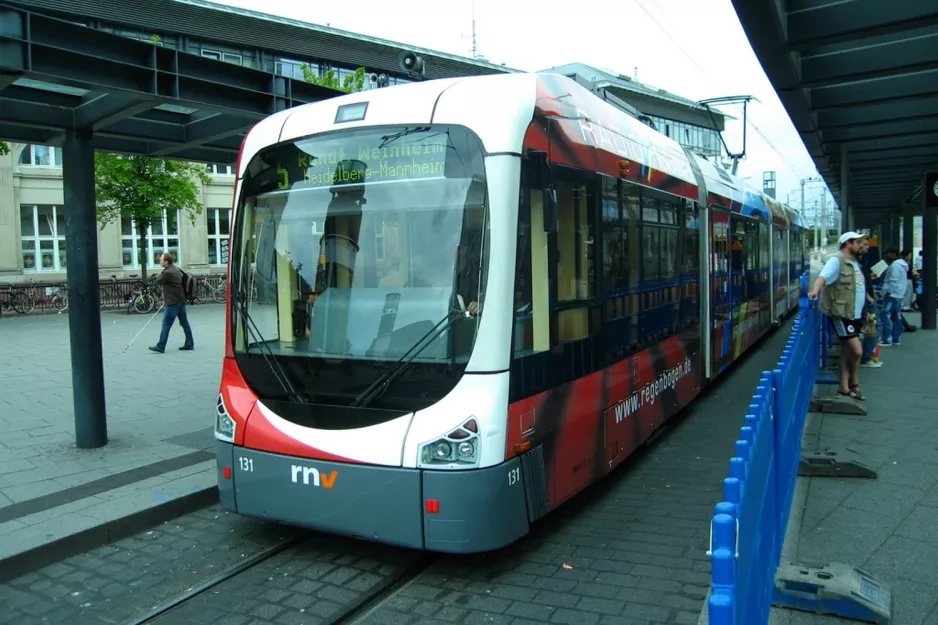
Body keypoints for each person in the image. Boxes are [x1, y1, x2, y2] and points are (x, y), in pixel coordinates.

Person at [808, 232, 870, 401]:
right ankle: (854, 383)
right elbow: (823, 277)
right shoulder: (837, 260)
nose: (861, 246)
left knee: (847, 351)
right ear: (848, 244)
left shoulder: (855, 263)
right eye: (858, 242)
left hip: (854, 313)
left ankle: (843, 387)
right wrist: (815, 291)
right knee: (857, 351)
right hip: (842, 314)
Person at [149, 252, 194, 353]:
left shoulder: (168, 272)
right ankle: (189, 343)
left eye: (161, 260)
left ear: (166, 262)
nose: (159, 261)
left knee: (166, 324)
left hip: (173, 302)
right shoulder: (175, 268)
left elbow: (159, 281)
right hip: (180, 300)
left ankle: (161, 346)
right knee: (184, 323)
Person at [880, 248, 908, 346]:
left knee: (885, 315)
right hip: (899, 294)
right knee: (896, 317)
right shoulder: (902, 265)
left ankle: (887, 339)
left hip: (892, 295)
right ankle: (896, 338)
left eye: (887, 254)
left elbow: (893, 280)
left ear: (892, 254)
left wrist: (888, 292)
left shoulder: (895, 266)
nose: (886, 256)